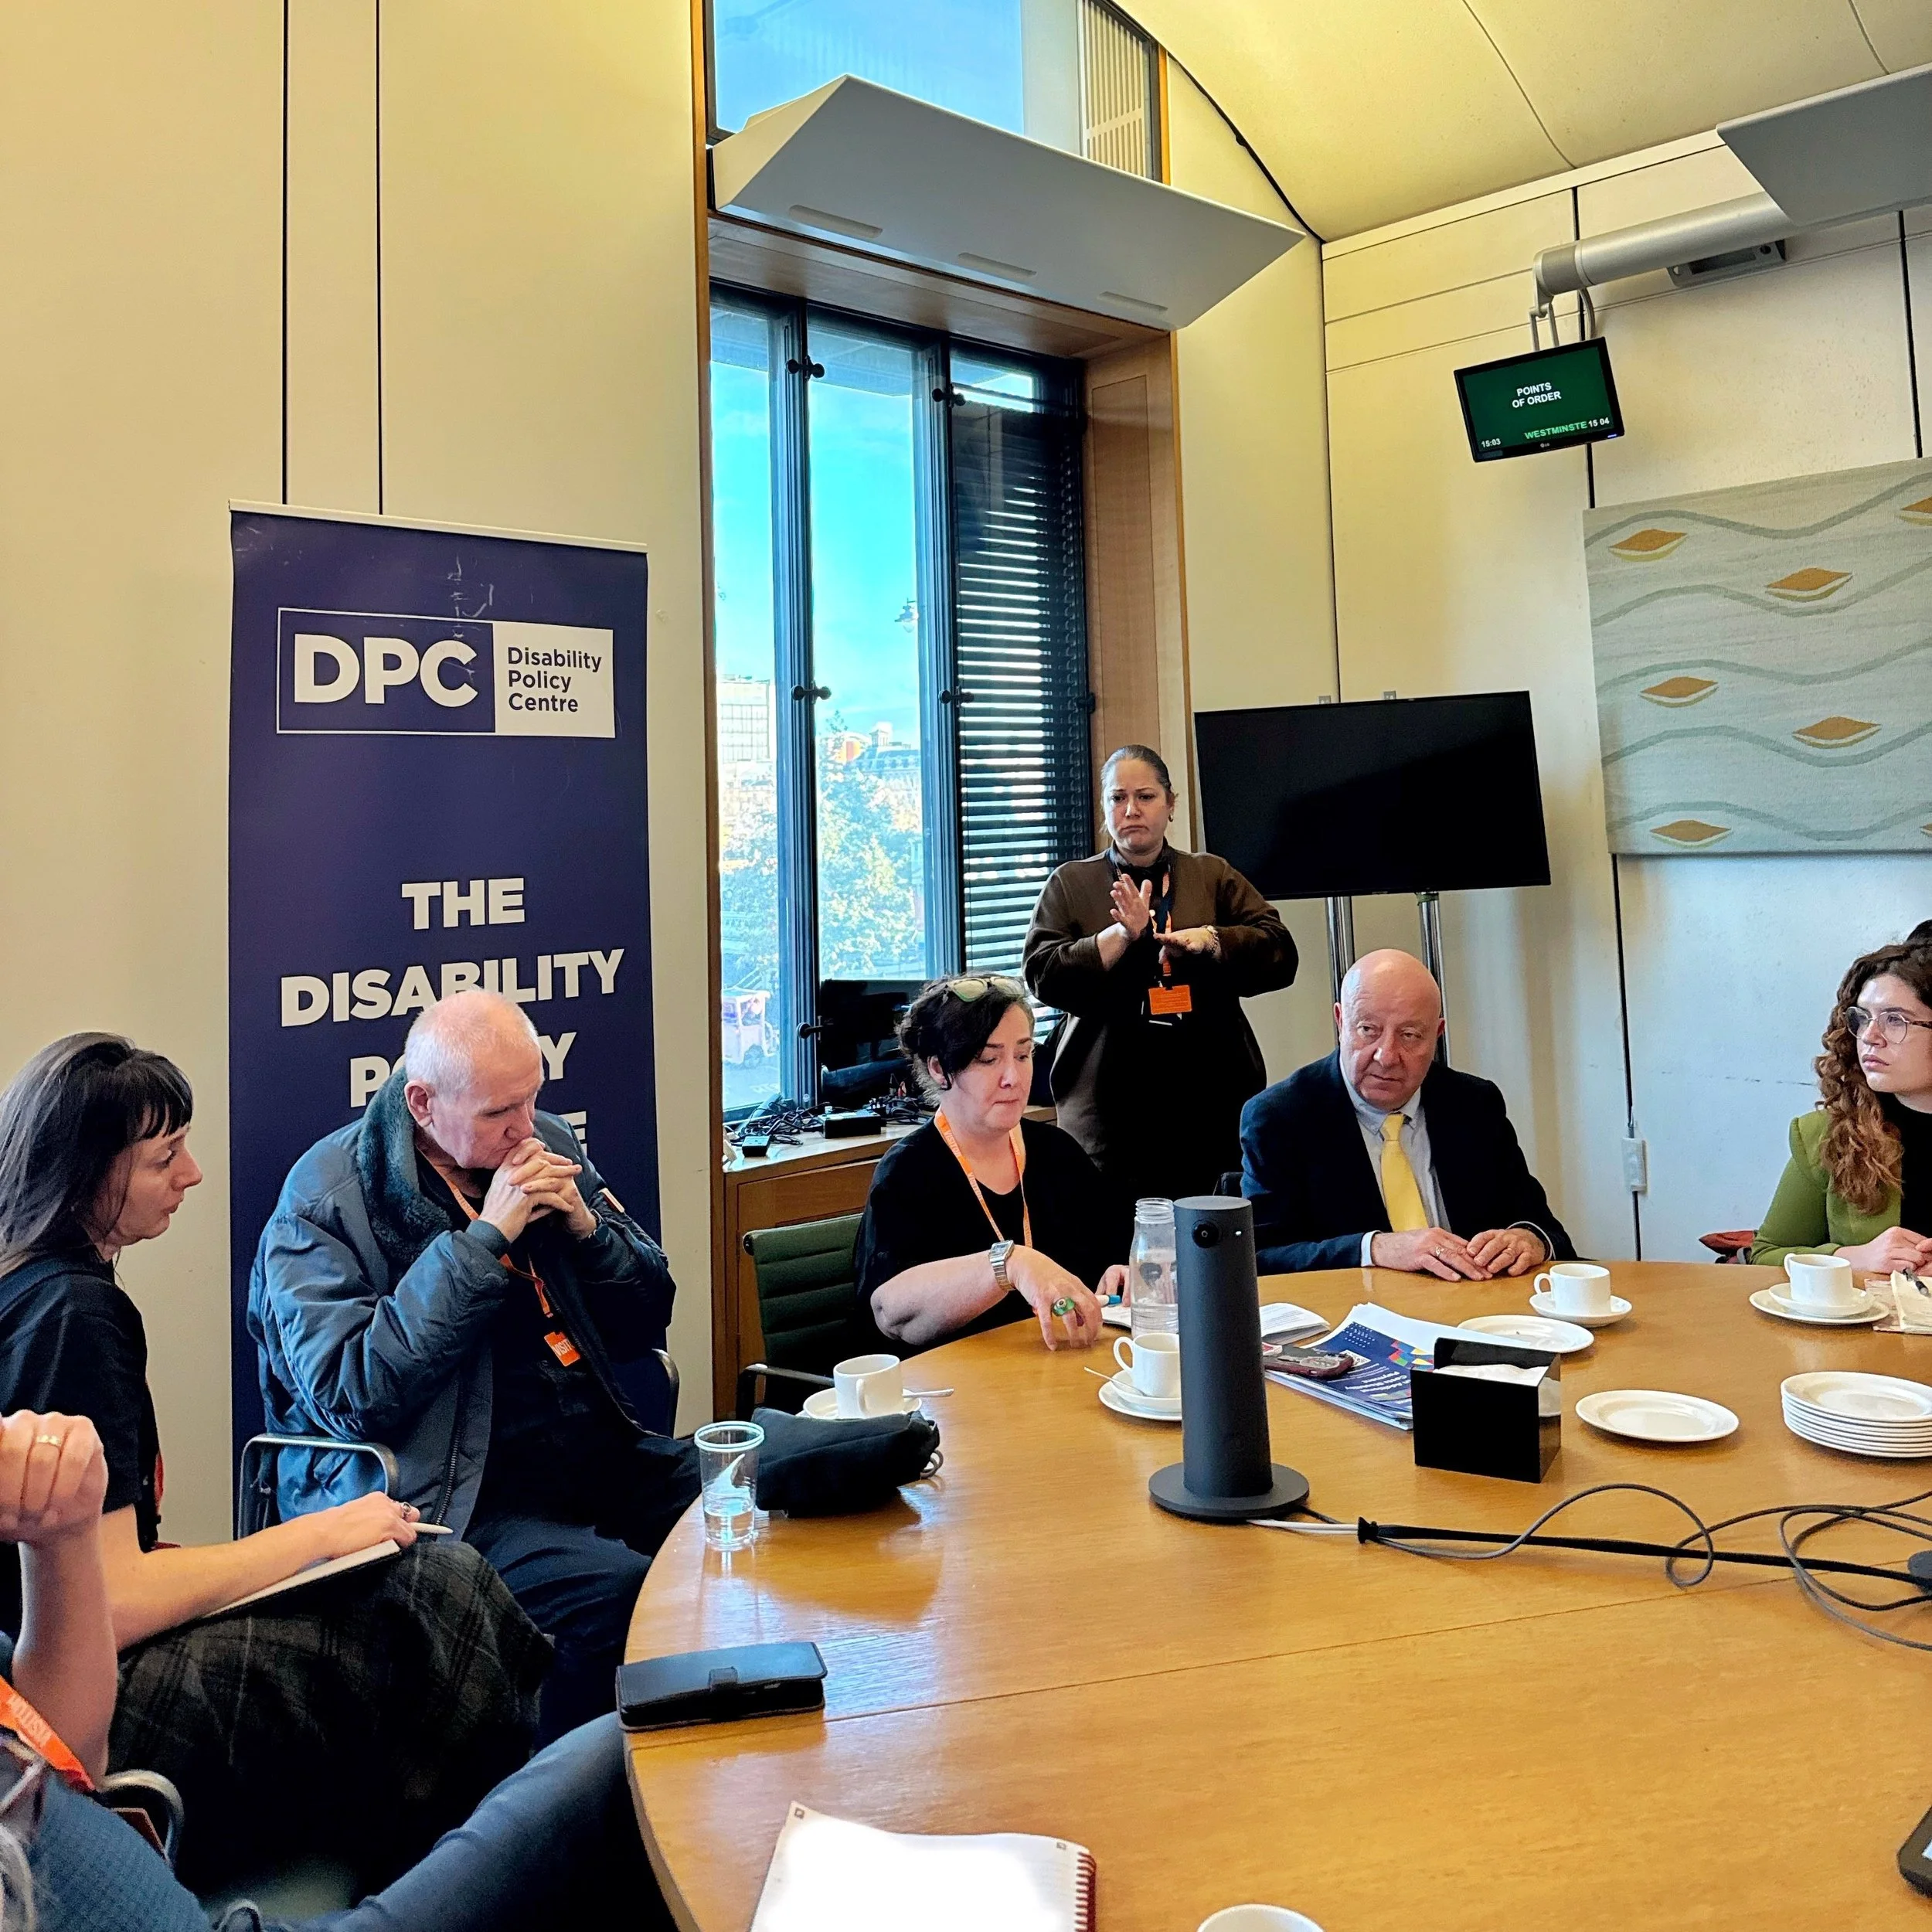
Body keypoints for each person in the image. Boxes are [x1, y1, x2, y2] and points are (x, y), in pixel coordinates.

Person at [0, 1035, 546, 1893]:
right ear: (87, 1175)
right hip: (70, 1713)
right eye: (164, 1157)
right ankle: (483, 1885)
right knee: (435, 1594)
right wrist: (325, 1533)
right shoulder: (76, 1314)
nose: (193, 1175)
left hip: (32, 1689)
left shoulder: (26, 1293)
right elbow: (113, 1600)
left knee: (428, 1590)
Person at [0, 1407, 669, 1932]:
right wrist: (480, 1254)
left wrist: (61, 1539)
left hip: (116, 1847)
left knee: (611, 1737)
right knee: (619, 1761)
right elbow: (360, 1394)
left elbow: (63, 1754)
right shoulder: (74, 1308)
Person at [250, 990, 697, 1746]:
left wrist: (590, 1232)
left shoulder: (545, 1139)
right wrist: (481, 1242)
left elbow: (643, 1318)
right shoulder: (325, 1199)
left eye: (532, 1099)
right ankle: (579, 1812)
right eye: (499, 1114)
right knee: (631, 1594)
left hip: (593, 1452)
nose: (526, 1128)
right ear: (422, 1103)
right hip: (451, 1494)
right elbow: (353, 1394)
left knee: (750, 1492)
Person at [1022, 744, 1298, 1202]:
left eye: (1146, 797)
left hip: (1212, 1099)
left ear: (1171, 804)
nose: (1131, 810)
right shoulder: (1072, 883)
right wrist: (1119, 937)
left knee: (1212, 1243)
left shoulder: (1211, 875)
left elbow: (1280, 953)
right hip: (1109, 1110)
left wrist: (1211, 940)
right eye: (1117, 798)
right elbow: (1042, 974)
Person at [1240, 949, 1575, 1277]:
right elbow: (1260, 1259)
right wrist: (1375, 1249)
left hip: (1474, 1314)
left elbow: (1545, 1229)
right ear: (1341, 1021)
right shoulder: (1281, 1117)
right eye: (1368, 1030)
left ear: (1437, 1035)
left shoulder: (1474, 1104)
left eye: (1410, 1035)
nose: (1386, 1056)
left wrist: (1528, 1241)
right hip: (1356, 1317)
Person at [855, 976, 1128, 1355]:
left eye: (1023, 1054)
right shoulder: (909, 1171)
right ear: (939, 1069)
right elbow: (890, 1312)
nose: (1013, 1079)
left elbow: (1117, 1250)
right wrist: (1008, 1265)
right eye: (988, 1059)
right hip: (955, 1397)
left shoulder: (1056, 1151)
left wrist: (1123, 1273)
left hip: (1060, 1374)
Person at [1751, 938, 1932, 1271]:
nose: (1869, 1036)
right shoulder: (1828, 1133)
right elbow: (1765, 1255)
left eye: (1895, 1020)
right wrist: (1850, 1258)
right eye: (1863, 1018)